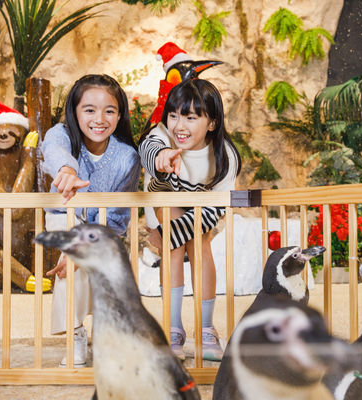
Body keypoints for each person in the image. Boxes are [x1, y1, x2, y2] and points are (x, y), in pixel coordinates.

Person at [39, 74, 140, 367]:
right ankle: (77, 332)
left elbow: (118, 218)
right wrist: (68, 169)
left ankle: (93, 331)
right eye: (89, 110)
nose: (100, 119)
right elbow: (55, 151)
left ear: (120, 115)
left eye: (109, 110)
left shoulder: (127, 157)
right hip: (63, 223)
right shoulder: (61, 134)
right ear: (75, 112)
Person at [138, 79, 241, 361]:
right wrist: (161, 157)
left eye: (191, 117)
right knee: (173, 241)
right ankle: (173, 329)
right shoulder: (161, 135)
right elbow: (148, 153)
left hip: (202, 214)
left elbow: (215, 207)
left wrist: (175, 234)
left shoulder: (225, 156)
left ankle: (206, 328)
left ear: (211, 123)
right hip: (164, 202)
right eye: (173, 115)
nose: (179, 126)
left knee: (199, 244)